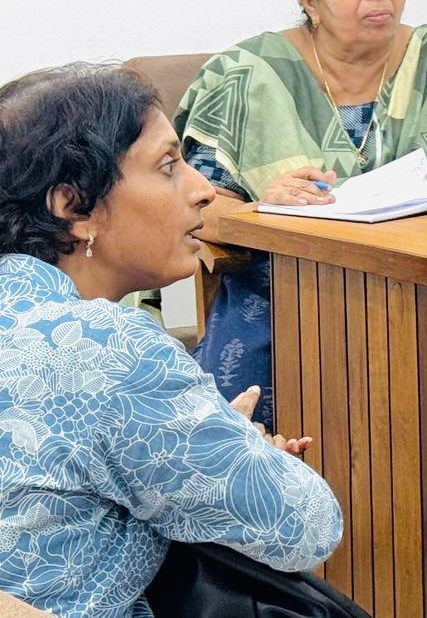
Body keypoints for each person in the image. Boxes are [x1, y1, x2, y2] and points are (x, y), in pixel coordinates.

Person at [0, 63, 342, 617]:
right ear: (74, 207)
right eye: (168, 166)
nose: (203, 189)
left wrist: (191, 445)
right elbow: (306, 526)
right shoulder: (107, 350)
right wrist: (239, 445)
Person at [178, 0, 427, 427]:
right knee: (241, 446)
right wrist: (265, 208)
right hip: (287, 294)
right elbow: (196, 210)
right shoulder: (248, 75)